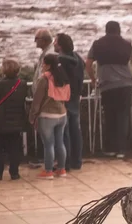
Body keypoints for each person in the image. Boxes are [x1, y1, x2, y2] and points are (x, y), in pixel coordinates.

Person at [86, 21, 132, 158]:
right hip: (126, 84)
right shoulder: (127, 44)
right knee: (123, 117)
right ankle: (122, 149)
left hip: (108, 85)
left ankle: (111, 148)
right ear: (119, 30)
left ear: (106, 30)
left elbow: (88, 64)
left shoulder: (97, 44)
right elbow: (131, 62)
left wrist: (93, 79)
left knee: (110, 116)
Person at [29, 54, 71, 179]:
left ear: (48, 65)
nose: (42, 65)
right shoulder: (63, 77)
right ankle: (62, 169)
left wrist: (32, 115)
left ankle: (48, 171)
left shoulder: (44, 79)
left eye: (43, 63)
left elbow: (37, 100)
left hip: (47, 116)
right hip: (62, 114)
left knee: (48, 144)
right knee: (60, 143)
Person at [0, 59, 27, 180]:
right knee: (14, 149)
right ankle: (14, 173)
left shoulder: (2, 84)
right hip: (16, 121)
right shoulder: (22, 84)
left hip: (0, 122)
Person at [54, 33, 85, 170]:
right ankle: (77, 161)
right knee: (75, 130)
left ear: (60, 45)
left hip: (63, 99)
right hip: (75, 97)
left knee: (63, 132)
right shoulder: (77, 58)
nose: (54, 43)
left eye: (55, 41)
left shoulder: (59, 61)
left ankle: (64, 163)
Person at [30, 29, 53, 167]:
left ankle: (46, 160)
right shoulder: (46, 53)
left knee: (46, 131)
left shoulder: (49, 54)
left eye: (36, 38)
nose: (35, 41)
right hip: (44, 96)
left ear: (43, 40)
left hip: (45, 98)